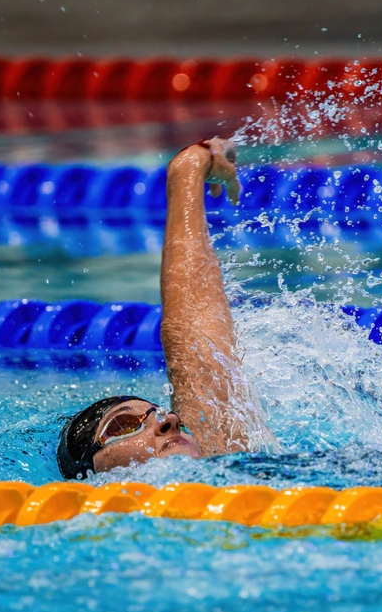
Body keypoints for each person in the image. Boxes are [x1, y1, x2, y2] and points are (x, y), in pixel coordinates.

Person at [56, 138, 272, 479]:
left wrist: (188, 169)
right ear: (88, 475)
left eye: (163, 415)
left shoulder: (229, 464)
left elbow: (194, 344)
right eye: (124, 425)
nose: (170, 421)